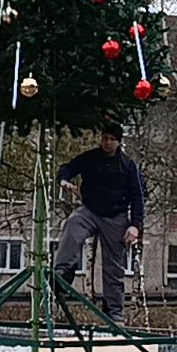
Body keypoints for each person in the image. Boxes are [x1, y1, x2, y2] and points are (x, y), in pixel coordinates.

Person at [52, 122, 145, 323]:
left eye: (112, 139)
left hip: (116, 216)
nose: (107, 143)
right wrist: (63, 180)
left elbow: (138, 196)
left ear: (118, 142)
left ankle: (115, 312)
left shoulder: (128, 166)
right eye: (104, 138)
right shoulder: (90, 158)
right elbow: (68, 167)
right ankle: (62, 272)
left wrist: (135, 225)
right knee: (72, 225)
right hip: (90, 210)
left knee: (113, 266)